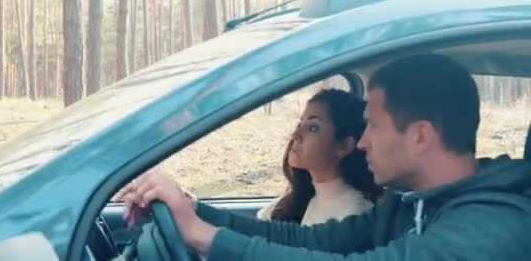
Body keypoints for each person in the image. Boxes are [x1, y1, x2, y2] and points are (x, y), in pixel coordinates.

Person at [124, 54, 531, 260]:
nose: (363, 141)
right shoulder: (411, 206)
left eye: (372, 125)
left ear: (420, 135)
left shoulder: (489, 229)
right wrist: (194, 211)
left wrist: (203, 237)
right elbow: (312, 241)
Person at [257, 89, 380, 224]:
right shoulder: (300, 198)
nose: (296, 134)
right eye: (300, 124)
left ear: (343, 146)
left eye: (313, 128)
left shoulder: (352, 213)